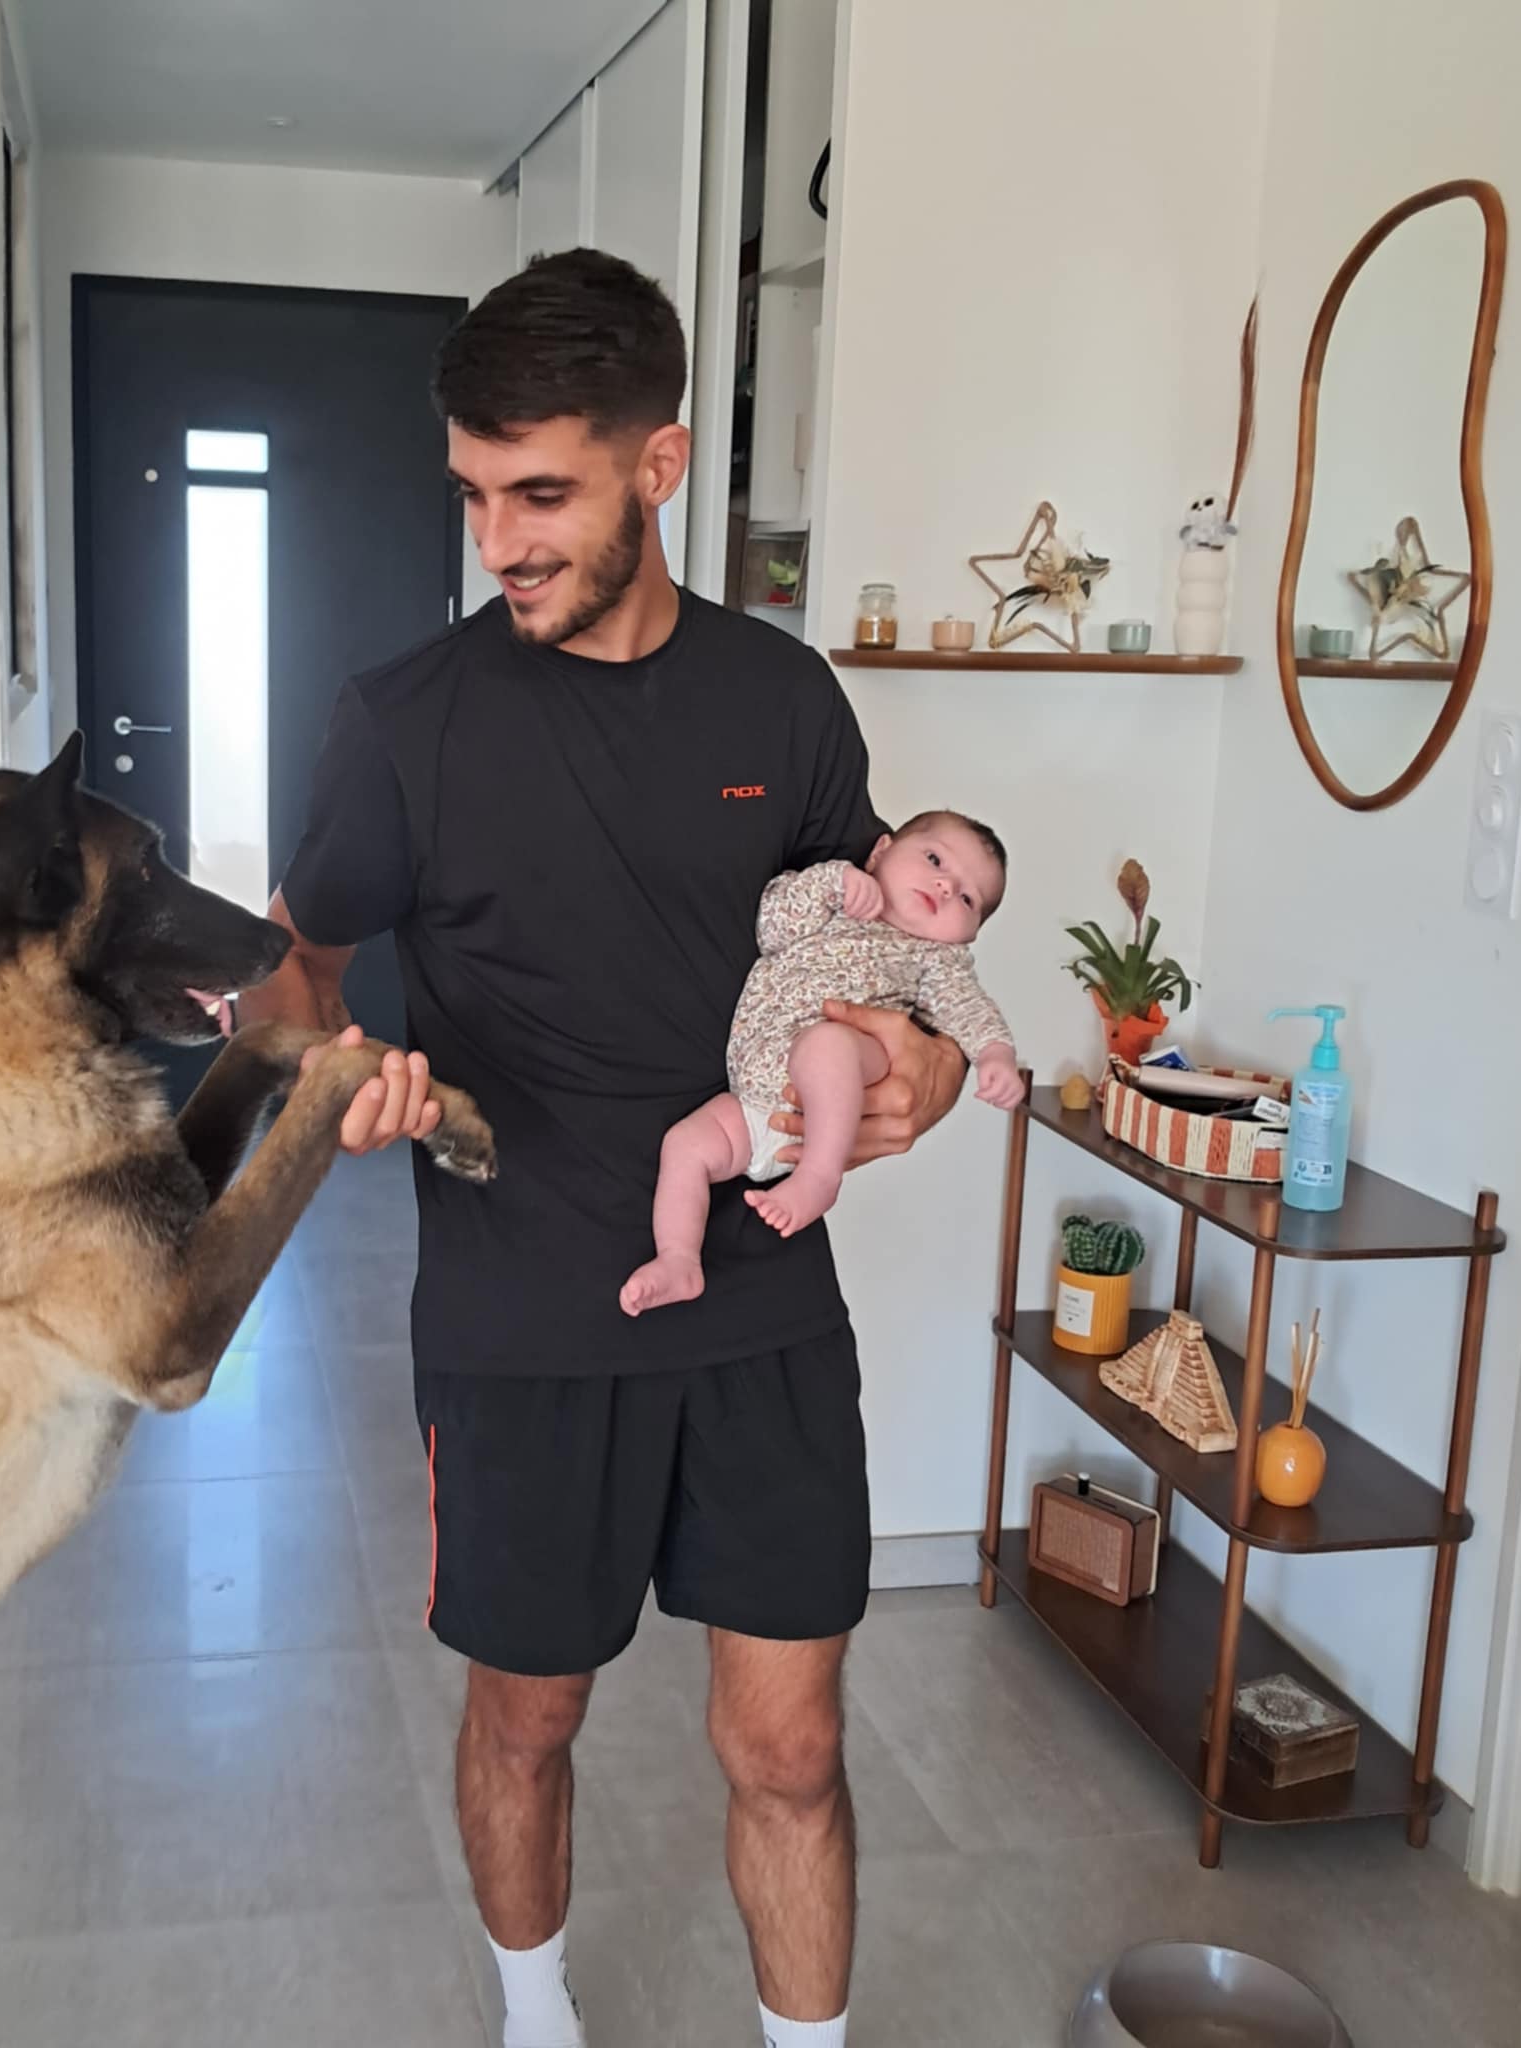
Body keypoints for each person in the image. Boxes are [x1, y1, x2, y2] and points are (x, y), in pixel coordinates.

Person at [245, 248, 965, 2048]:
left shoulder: (781, 703)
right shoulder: (402, 724)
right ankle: (533, 2016)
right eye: (473, 495)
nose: (499, 540)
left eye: (542, 495)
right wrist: (334, 1065)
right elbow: (296, 969)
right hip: (520, 1318)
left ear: (659, 466)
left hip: (761, 1302)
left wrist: (930, 1067)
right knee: (528, 1721)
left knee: (789, 1746)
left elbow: (893, 957)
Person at [621, 810, 1017, 1316]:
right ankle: (679, 1258)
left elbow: (967, 1009)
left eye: (967, 899)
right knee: (685, 1146)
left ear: (969, 934)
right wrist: (833, 882)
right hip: (757, 1102)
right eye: (935, 859)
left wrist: (995, 1054)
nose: (945, 886)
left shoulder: (933, 959)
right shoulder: (835, 902)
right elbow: (771, 925)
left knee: (826, 1044)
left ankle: (818, 1178)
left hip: (844, 1067)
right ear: (880, 852)